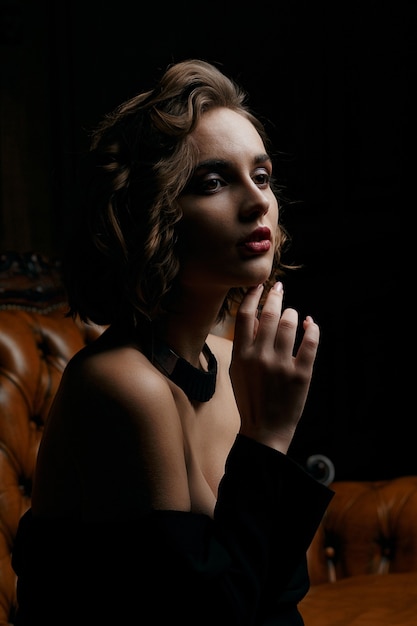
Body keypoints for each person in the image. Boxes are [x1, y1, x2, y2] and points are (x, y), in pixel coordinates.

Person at [12, 58, 333, 625]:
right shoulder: (123, 386)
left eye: (261, 176)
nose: (258, 201)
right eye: (213, 182)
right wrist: (267, 438)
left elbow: (274, 597)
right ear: (152, 216)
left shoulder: (235, 363)